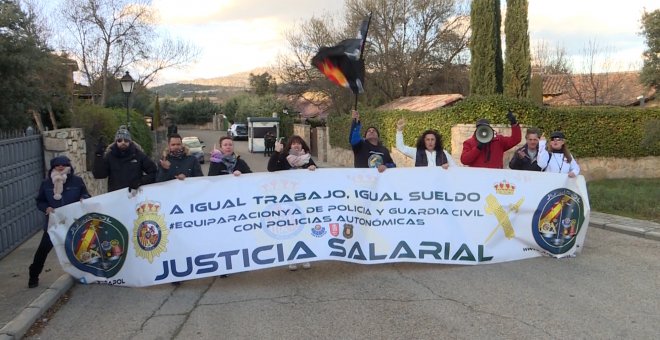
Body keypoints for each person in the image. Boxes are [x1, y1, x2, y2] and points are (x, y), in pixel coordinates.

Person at [29, 156, 90, 288]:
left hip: (73, 222)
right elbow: (40, 201)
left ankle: (86, 273)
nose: (61, 167)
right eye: (57, 165)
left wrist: (83, 198)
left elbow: (86, 194)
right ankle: (33, 275)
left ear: (68, 166)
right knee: (43, 249)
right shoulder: (46, 183)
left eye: (64, 164)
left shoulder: (77, 181)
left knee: (80, 248)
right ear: (53, 167)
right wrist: (46, 208)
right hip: (54, 223)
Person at [267, 135, 316, 271]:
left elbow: (317, 174)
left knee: (304, 229)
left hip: (304, 200)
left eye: (299, 143)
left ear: (302, 145)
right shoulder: (283, 157)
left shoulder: (306, 158)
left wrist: (312, 167)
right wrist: (276, 152)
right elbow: (271, 168)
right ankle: (292, 258)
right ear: (290, 146)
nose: (296, 146)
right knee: (291, 229)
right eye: (293, 143)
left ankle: (305, 257)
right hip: (287, 200)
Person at [93, 126, 158, 192]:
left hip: (134, 195)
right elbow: (99, 175)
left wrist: (140, 182)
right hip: (116, 196)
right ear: (116, 142)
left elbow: (154, 172)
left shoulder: (138, 155)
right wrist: (99, 156)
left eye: (126, 140)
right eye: (119, 140)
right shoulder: (110, 156)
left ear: (130, 141)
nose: (123, 142)